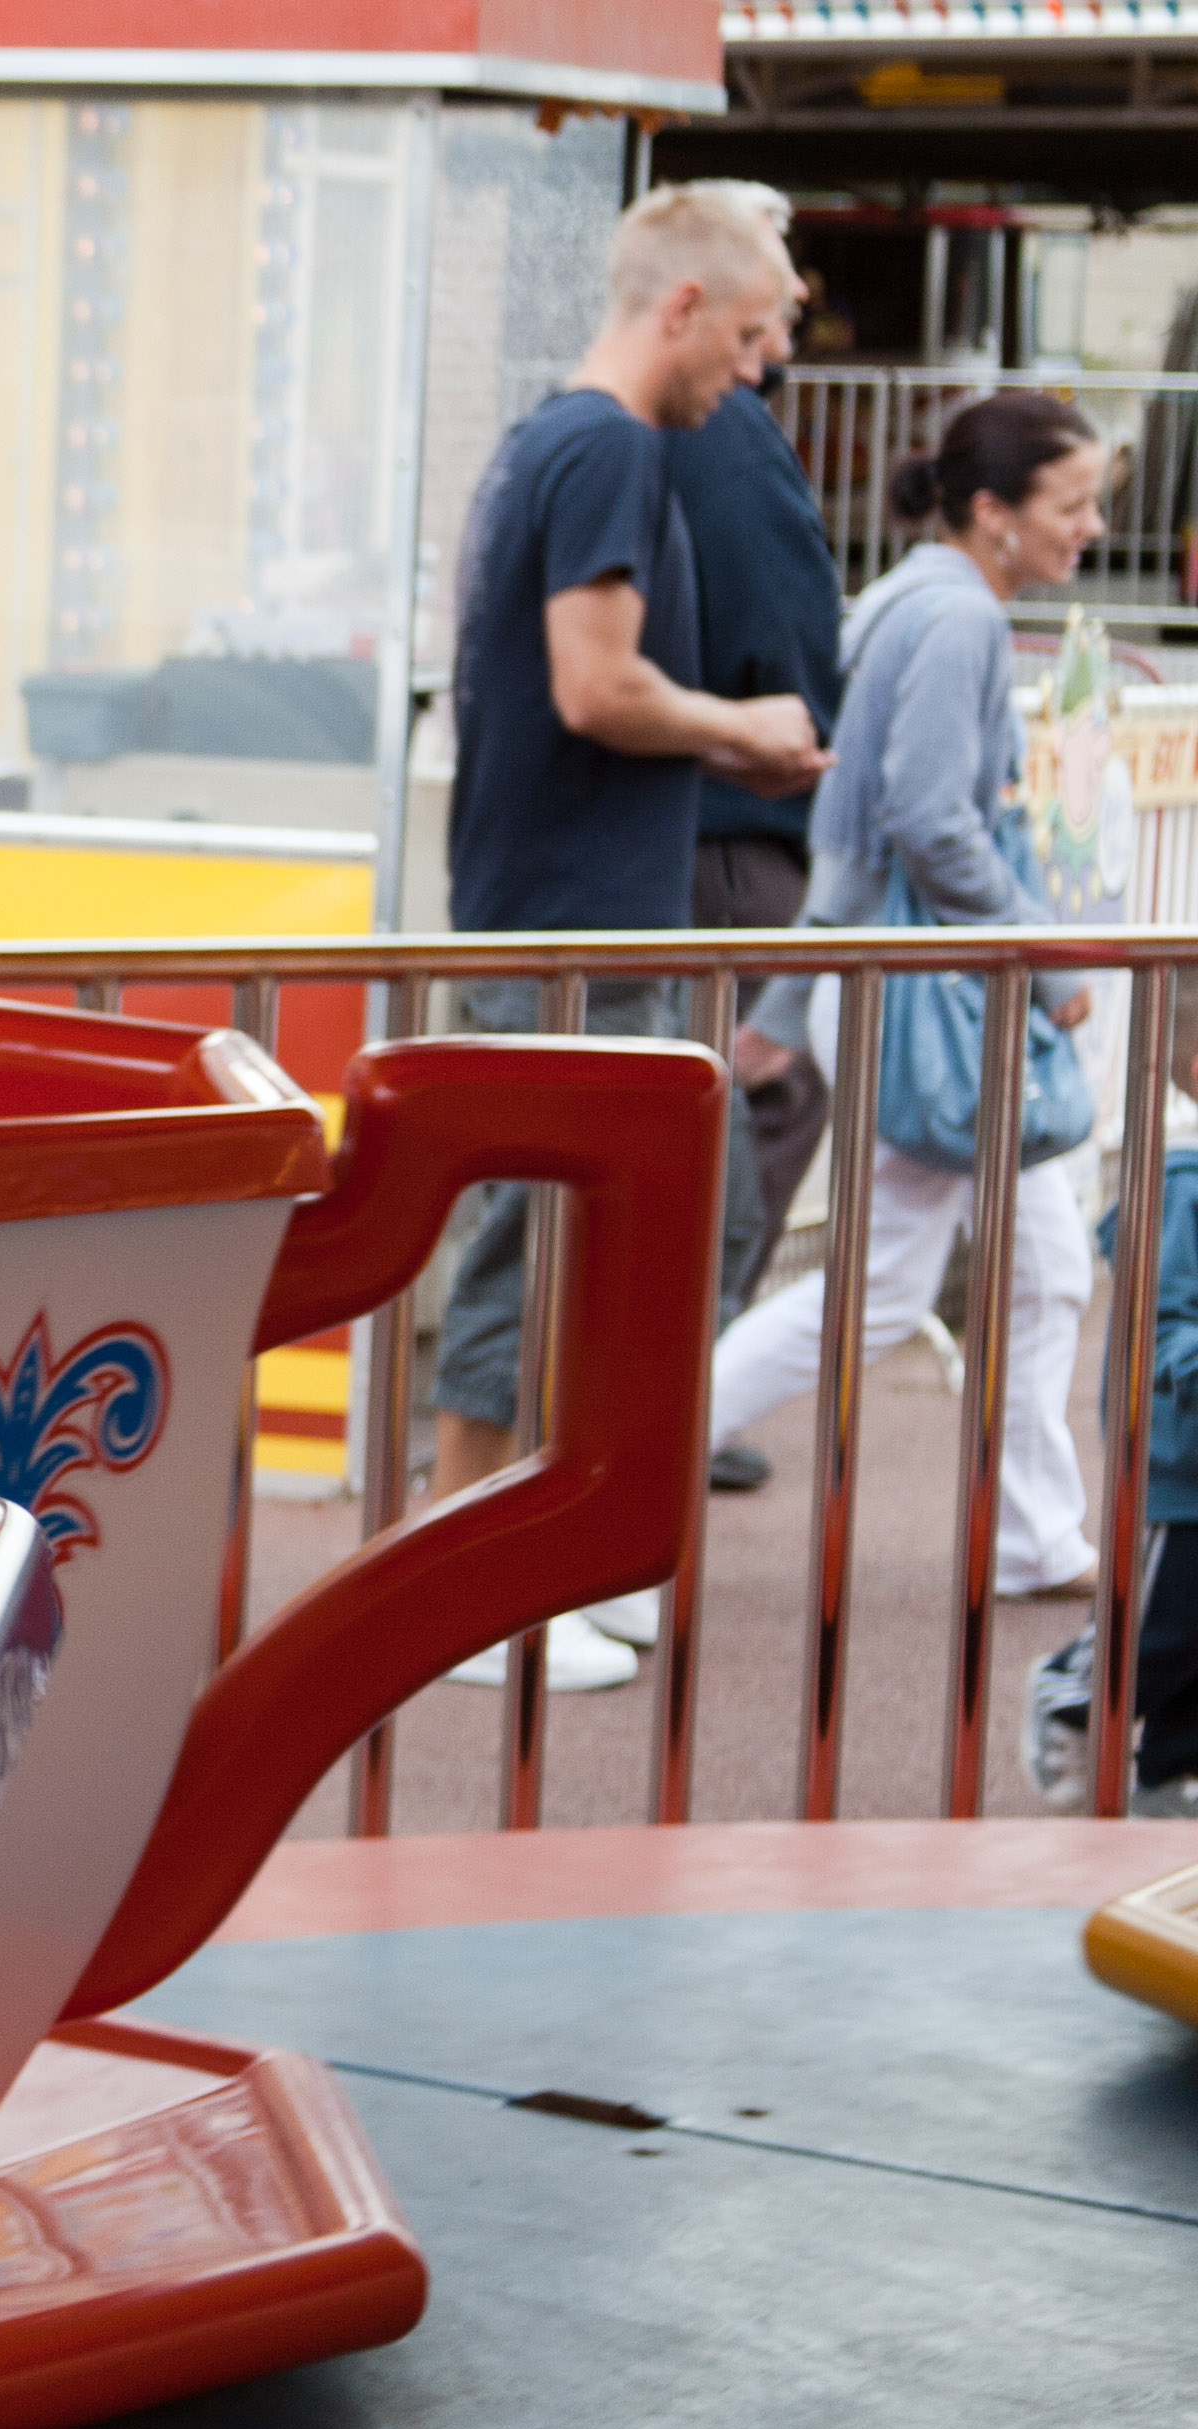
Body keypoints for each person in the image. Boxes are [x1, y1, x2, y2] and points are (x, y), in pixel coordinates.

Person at [433, 179, 830, 1693]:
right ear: (682, 307)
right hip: (577, 921)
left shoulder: (558, 439)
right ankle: (470, 1590)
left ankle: (486, 1578)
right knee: (537, 1249)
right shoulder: (607, 448)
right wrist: (746, 732)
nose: (759, 363)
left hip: (560, 910)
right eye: (750, 330)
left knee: (539, 1244)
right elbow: (596, 685)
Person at [706, 391, 1112, 1607]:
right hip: (932, 999)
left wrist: (790, 1006)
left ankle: (1036, 1533)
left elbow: (861, 836)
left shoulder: (905, 601)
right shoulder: (959, 620)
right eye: (1073, 504)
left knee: (1038, 1265)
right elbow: (931, 822)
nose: (1091, 529)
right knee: (894, 1287)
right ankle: (642, 1456)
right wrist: (1049, 955)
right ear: (993, 511)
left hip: (899, 989)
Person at [666, 215, 846, 1492]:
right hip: (736, 824)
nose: (778, 344)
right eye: (767, 317)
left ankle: (679, 1385)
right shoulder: (724, 437)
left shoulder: (620, 435)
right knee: (761, 1090)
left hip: (690, 817)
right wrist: (789, 734)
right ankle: (685, 1388)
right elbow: (780, 618)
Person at [1026, 1042, 1198, 1815]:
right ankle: (1072, 1695)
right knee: (1160, 1628)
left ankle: (1172, 1770)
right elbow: (1163, 1322)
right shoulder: (1180, 1185)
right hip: (1182, 1462)